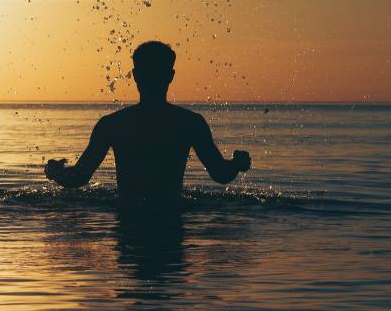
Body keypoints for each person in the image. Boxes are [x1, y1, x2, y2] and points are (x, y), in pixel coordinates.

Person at [44, 40, 251, 211]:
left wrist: (55, 171)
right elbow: (221, 175)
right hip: (171, 227)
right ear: (170, 76)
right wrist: (237, 162)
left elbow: (78, 178)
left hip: (128, 225)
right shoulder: (189, 123)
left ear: (135, 75)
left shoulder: (113, 124)